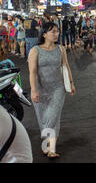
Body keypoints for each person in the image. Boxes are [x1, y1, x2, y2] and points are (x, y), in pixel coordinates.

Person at [28, 22, 75, 159]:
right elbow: (32, 72)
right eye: (53, 31)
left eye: (57, 31)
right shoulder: (35, 50)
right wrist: (33, 90)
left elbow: (66, 66)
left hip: (57, 88)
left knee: (52, 118)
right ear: (44, 34)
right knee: (43, 118)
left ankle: (51, 149)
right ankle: (46, 146)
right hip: (41, 89)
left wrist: (71, 83)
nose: (56, 34)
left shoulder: (61, 49)